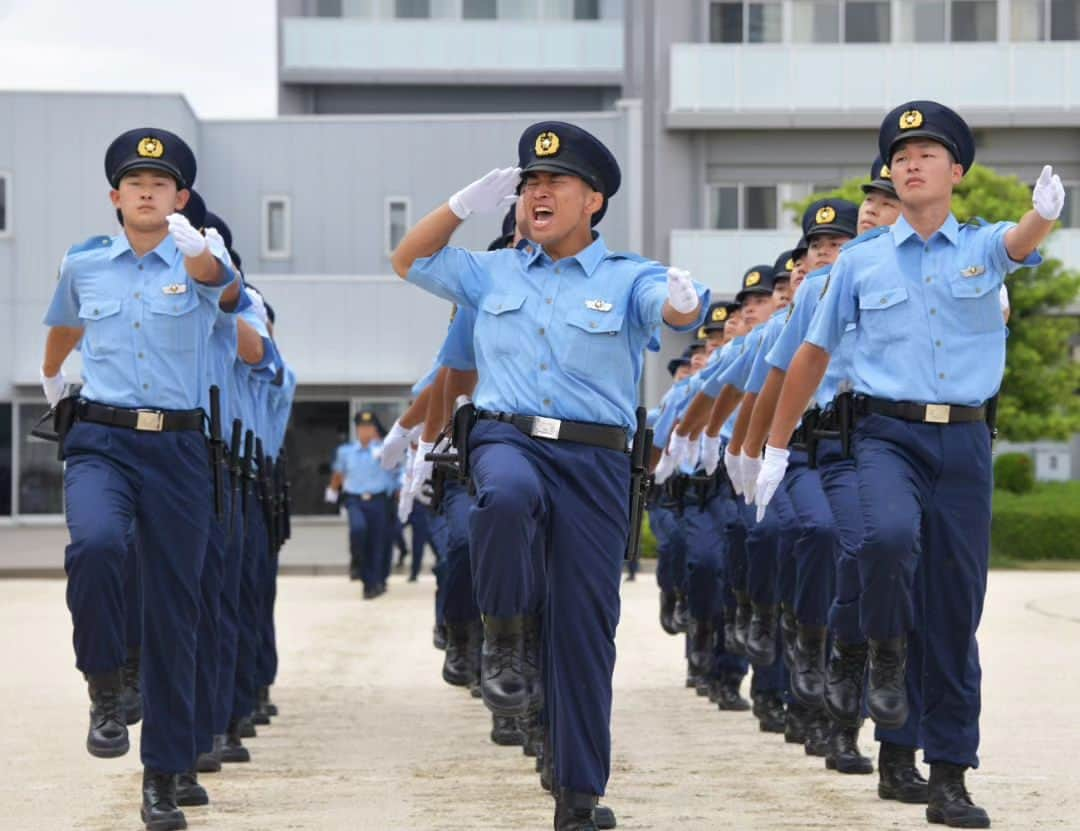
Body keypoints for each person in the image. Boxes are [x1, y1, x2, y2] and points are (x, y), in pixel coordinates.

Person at [391, 120, 707, 831]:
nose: (538, 191)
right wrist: (461, 205)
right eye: (530, 181)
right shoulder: (492, 270)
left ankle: (577, 793)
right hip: (507, 438)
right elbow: (408, 259)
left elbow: (679, 307)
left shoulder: (629, 276)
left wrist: (684, 301)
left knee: (585, 627)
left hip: (594, 461)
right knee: (502, 494)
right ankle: (502, 638)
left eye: (554, 181)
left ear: (592, 199)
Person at [756, 100, 1061, 829]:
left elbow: (1020, 243)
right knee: (886, 539)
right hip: (885, 436)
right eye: (900, 155)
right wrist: (772, 447)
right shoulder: (858, 263)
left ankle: (942, 770)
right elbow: (811, 355)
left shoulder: (981, 247)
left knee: (954, 611)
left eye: (926, 154)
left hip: (963, 443)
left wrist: (1045, 214)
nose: (910, 163)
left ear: (956, 172)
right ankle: (884, 657)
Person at [41, 127, 238, 830]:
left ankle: (163, 773)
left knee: (175, 614)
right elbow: (62, 324)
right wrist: (52, 379)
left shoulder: (201, 259)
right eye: (135, 183)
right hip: (101, 437)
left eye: (161, 184)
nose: (148, 191)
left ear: (180, 197)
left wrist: (202, 257)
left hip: (180, 449)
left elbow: (233, 298)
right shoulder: (86, 264)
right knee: (94, 546)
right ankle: (103, 684)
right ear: (115, 197)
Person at [327, 411, 399, 598]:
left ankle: (371, 584)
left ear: (375, 429)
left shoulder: (384, 449)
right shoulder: (346, 451)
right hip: (354, 499)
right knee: (358, 530)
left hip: (379, 500)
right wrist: (332, 493)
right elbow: (339, 474)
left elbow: (398, 471)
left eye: (369, 427)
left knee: (376, 543)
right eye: (362, 427)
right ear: (357, 429)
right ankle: (356, 560)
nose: (365, 430)